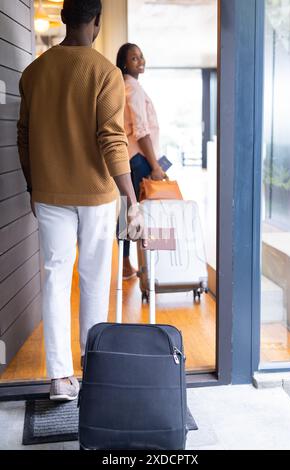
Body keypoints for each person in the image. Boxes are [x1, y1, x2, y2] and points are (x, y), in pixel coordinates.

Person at [17, 0, 142, 402]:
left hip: (50, 191)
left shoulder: (34, 72)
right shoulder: (105, 72)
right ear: (98, 22)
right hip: (96, 194)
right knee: (93, 277)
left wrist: (34, 186)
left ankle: (58, 377)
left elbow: (23, 136)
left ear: (63, 18)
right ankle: (94, 363)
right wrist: (131, 196)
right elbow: (112, 138)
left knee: (55, 278)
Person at [116, 43, 166, 280]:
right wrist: (155, 165)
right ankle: (156, 267)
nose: (140, 60)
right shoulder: (132, 88)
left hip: (132, 159)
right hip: (140, 159)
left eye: (141, 56)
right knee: (144, 212)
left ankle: (126, 264)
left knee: (129, 211)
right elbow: (141, 131)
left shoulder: (127, 86)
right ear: (125, 63)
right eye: (134, 58)